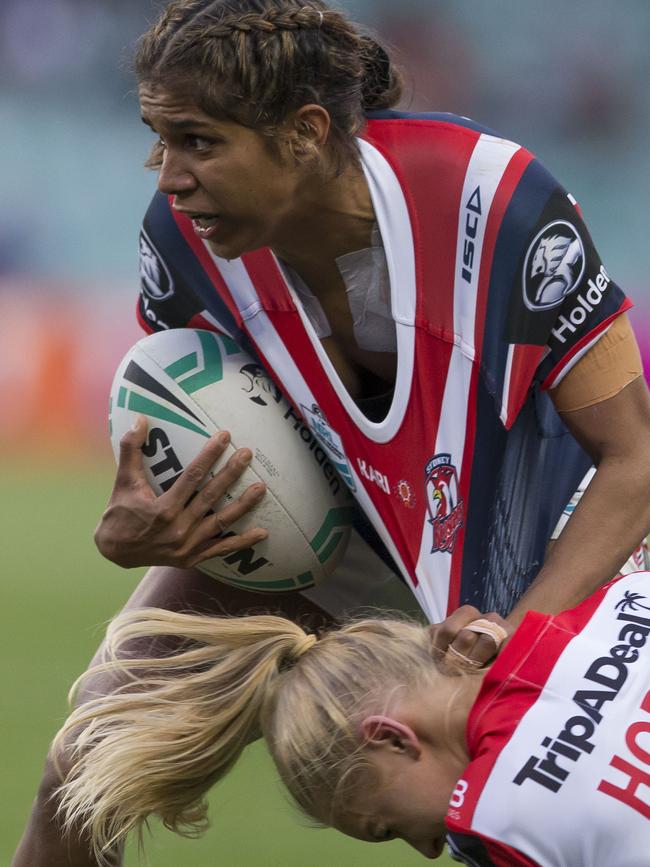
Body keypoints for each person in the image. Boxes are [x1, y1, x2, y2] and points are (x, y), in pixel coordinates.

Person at [12, 1, 650, 864]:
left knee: (502, 816)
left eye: (197, 141)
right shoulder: (183, 248)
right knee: (86, 763)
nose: (167, 175)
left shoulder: (492, 197)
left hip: (546, 525)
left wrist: (513, 646)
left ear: (305, 133)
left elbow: (635, 458)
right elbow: (245, 443)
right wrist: (149, 525)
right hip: (345, 521)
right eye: (157, 139)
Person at [52, 570, 650, 865]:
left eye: (384, 827)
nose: (428, 850)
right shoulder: (617, 598)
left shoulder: (503, 821)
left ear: (391, 737)